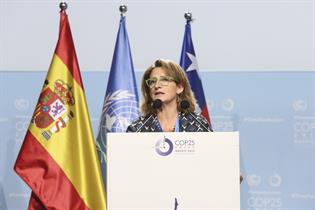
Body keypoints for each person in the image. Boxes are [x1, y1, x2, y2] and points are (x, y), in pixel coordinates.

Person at [126, 59, 212, 132]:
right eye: (152, 81)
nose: (157, 86)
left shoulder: (197, 124)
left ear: (179, 87)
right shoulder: (137, 128)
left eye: (165, 80)